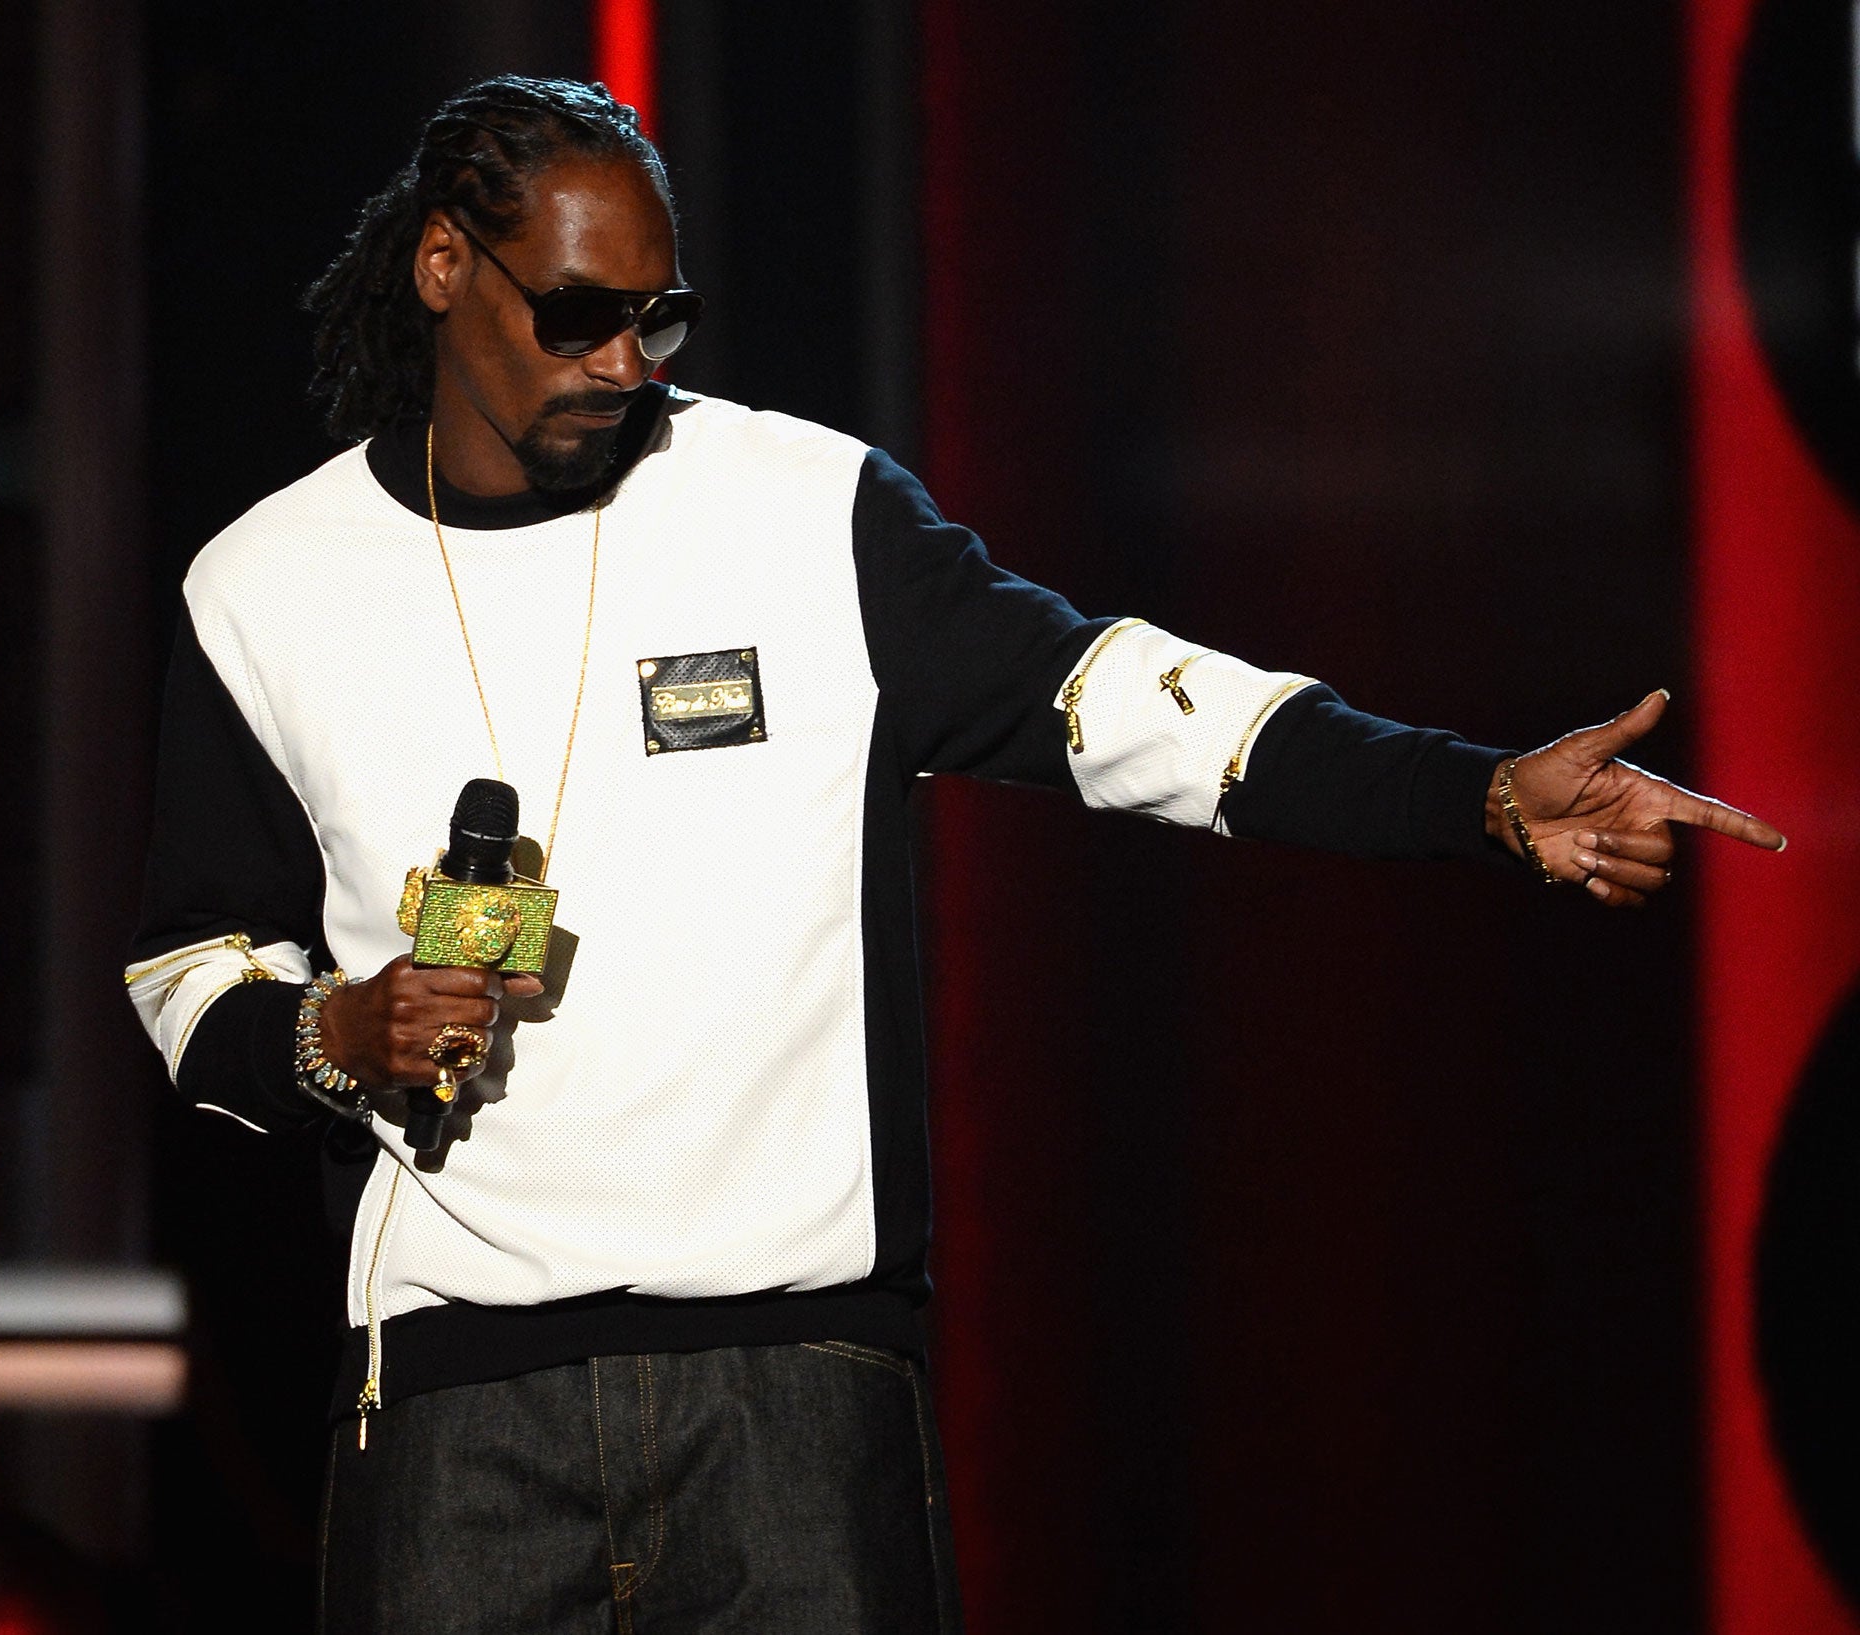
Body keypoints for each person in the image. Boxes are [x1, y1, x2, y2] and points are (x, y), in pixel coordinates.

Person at [125, 75, 1783, 1634]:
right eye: (577, 316)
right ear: (440, 267)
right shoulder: (267, 586)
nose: (626, 361)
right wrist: (331, 1038)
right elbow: (186, 969)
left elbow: (1127, 704)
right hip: (447, 1412)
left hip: (794, 1400)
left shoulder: (803, 510)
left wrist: (1478, 795)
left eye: (659, 315)